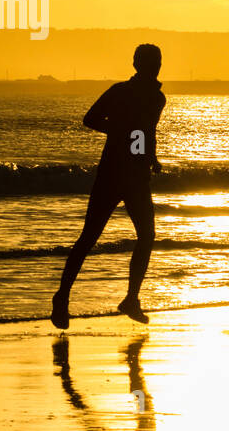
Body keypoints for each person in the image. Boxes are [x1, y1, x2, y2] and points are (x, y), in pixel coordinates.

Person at [51, 44, 165, 329]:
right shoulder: (120, 91)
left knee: (147, 236)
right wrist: (117, 130)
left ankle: (131, 299)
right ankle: (61, 298)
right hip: (112, 174)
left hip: (136, 176)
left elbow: (144, 133)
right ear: (138, 64)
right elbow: (90, 119)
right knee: (88, 238)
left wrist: (151, 157)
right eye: (152, 61)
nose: (157, 66)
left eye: (158, 61)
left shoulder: (157, 97)